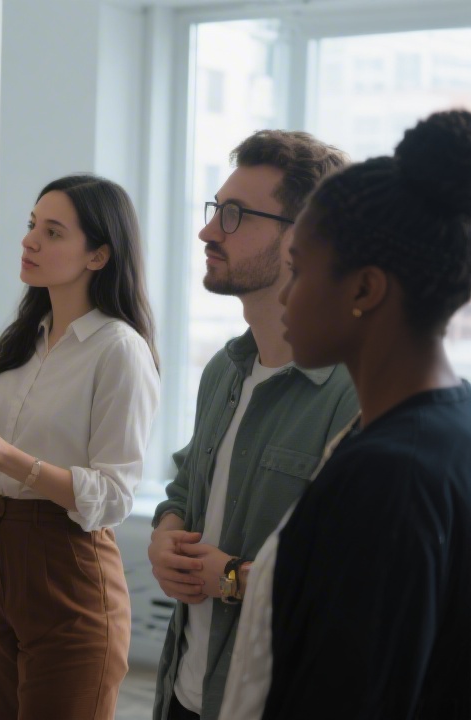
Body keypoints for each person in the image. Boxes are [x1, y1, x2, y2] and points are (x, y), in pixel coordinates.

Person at [222, 109, 471, 720]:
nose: (286, 295)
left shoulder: (390, 476)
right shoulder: (447, 425)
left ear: (364, 289)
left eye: (301, 270)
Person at [0, 174, 159, 719]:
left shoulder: (119, 350)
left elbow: (113, 496)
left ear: (98, 256)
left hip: (68, 561)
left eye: (53, 232)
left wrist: (6, 458)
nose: (30, 240)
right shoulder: (29, 337)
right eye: (32, 225)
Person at [148, 130, 358, 720]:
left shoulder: (355, 393)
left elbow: (355, 580)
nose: (208, 231)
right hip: (184, 691)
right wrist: (166, 532)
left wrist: (233, 578)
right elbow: (186, 486)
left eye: (235, 215)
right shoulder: (225, 370)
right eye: (216, 209)